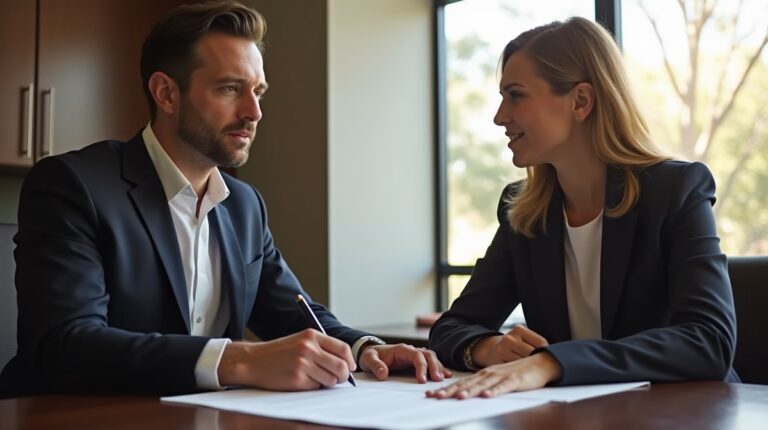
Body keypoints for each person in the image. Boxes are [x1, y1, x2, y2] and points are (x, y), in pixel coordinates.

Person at [0, 1, 449, 398]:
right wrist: (241, 360)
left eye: (258, 92)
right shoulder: (73, 185)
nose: (254, 112)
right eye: (231, 89)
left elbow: (293, 313)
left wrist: (368, 348)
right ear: (166, 92)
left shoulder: (243, 205)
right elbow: (66, 344)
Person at [427, 16, 738, 400]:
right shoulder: (522, 211)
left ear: (581, 101)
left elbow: (709, 342)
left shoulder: (676, 190)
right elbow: (453, 326)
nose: (499, 116)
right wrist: (486, 348)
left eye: (516, 95)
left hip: (685, 415)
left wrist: (553, 362)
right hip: (574, 416)